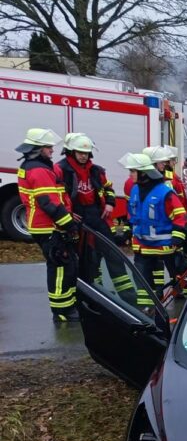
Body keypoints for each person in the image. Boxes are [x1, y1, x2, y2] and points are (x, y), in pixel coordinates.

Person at [17, 128, 78, 321]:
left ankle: (66, 306)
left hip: (45, 225)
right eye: (48, 147)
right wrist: (69, 225)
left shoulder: (34, 166)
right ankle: (62, 311)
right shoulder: (39, 170)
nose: (52, 150)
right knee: (60, 267)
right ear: (38, 148)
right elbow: (49, 203)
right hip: (48, 226)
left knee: (63, 265)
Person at [127, 152, 187, 307]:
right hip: (141, 246)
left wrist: (177, 237)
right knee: (142, 283)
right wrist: (128, 230)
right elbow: (133, 214)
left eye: (133, 171)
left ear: (143, 173)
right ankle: (146, 312)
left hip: (161, 247)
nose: (130, 174)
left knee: (157, 281)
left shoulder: (164, 192)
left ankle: (156, 308)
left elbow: (180, 215)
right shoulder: (134, 190)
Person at [56, 133, 116, 239]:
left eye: (86, 153)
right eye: (80, 152)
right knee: (75, 247)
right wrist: (66, 212)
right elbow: (55, 196)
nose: (84, 156)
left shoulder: (96, 170)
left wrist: (109, 203)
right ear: (71, 152)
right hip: (75, 213)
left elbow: (108, 187)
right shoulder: (61, 170)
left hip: (94, 211)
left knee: (106, 240)